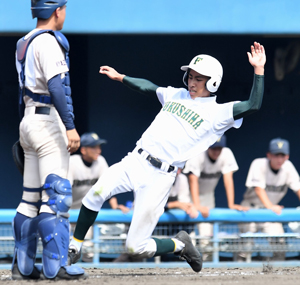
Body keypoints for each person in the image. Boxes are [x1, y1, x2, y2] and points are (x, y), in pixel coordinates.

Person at [68, 42, 266, 273]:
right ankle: (75, 246)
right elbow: (149, 88)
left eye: (199, 78)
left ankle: (180, 244)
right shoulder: (177, 94)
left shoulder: (219, 113)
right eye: (190, 76)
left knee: (135, 247)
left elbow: (253, 105)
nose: (192, 82)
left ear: (213, 81)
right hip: (136, 160)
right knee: (96, 193)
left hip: (161, 176)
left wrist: (258, 70)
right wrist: (121, 77)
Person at [12, 0, 85, 280]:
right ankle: (57, 267)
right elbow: (56, 85)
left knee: (29, 199)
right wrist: (70, 127)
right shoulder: (48, 41)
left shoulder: (24, 42)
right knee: (56, 198)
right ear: (57, 11)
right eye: (64, 8)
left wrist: (25, 132)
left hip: (28, 120)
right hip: (47, 121)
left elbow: (23, 93)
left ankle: (23, 267)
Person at [182, 134, 248, 260]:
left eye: (219, 148)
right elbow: (192, 180)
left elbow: (228, 179)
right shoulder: (198, 152)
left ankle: (205, 261)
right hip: (187, 195)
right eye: (214, 148)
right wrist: (197, 205)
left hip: (207, 196)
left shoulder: (226, 154)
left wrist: (231, 204)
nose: (217, 151)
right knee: (184, 231)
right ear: (207, 146)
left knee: (206, 236)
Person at [68, 132, 130, 262]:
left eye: (99, 147)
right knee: (67, 248)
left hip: (87, 213)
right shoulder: (72, 162)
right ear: (83, 150)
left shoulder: (100, 162)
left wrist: (115, 206)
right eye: (94, 147)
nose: (98, 150)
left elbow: (108, 186)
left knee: (89, 250)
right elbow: (65, 191)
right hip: (70, 212)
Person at [239, 138, 300, 260]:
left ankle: (277, 276)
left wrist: (270, 207)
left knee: (279, 245)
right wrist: (270, 206)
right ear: (269, 155)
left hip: (271, 211)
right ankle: (237, 273)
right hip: (251, 209)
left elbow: (298, 188)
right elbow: (258, 189)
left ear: (287, 156)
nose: (279, 159)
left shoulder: (288, 167)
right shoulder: (259, 164)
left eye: (282, 155)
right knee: (244, 247)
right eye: (276, 155)